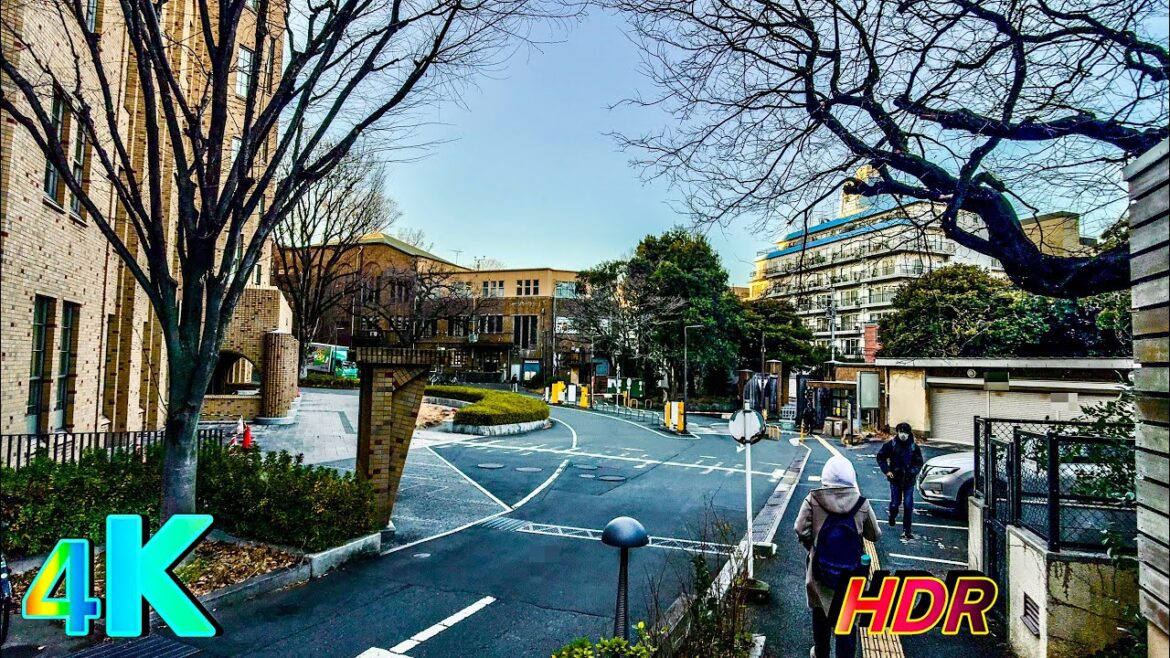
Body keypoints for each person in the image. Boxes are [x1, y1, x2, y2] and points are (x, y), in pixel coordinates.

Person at [795, 455, 881, 658]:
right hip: (852, 576)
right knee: (847, 624)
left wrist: (812, 547)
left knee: (820, 615)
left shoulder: (814, 499)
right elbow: (874, 535)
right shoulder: (861, 503)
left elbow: (800, 529)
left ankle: (821, 652)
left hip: (821, 572)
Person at [876, 422, 925, 539]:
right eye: (901, 432)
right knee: (895, 503)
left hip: (909, 481)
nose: (903, 435)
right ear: (897, 432)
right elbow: (881, 457)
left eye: (905, 433)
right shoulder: (891, 445)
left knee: (908, 505)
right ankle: (892, 515)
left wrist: (912, 472)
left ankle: (907, 530)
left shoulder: (914, 447)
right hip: (895, 480)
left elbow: (918, 463)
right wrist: (887, 470)